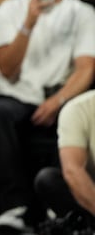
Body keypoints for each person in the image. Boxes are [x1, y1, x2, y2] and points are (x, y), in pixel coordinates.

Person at [0, 0, 95, 231]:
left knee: (73, 114)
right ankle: (14, 208)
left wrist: (58, 101)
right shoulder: (7, 10)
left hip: (62, 95)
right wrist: (28, 22)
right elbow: (6, 68)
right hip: (17, 95)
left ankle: (61, 208)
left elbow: (86, 68)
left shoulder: (83, 13)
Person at [34, 89, 95, 230]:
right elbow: (72, 170)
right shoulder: (78, 109)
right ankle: (85, 223)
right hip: (90, 191)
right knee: (48, 179)